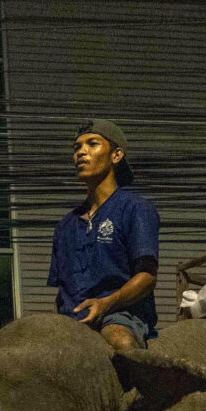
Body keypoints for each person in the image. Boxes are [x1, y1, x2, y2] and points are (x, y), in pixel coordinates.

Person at [50, 120, 160, 353]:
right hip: (72, 322)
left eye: (92, 144)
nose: (81, 152)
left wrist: (105, 303)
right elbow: (62, 293)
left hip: (119, 315)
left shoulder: (135, 208)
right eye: (76, 148)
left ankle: (140, 389)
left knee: (119, 341)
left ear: (116, 155)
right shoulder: (64, 226)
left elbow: (147, 277)